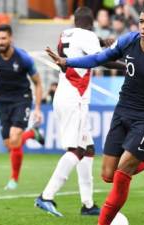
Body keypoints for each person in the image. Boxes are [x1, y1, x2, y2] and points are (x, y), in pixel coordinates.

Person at [46, 5, 144, 225]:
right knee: (108, 175)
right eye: (142, 21)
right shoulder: (129, 40)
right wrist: (67, 62)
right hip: (123, 110)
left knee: (122, 173)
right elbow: (99, 58)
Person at [34, 7, 108, 217]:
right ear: (92, 22)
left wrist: (103, 42)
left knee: (88, 149)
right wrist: (130, 66)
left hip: (66, 95)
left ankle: (88, 204)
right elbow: (102, 60)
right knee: (76, 150)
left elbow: (84, 46)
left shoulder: (67, 34)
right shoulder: (89, 36)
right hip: (74, 98)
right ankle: (46, 196)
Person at [0, 24, 45, 190]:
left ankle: (14, 179)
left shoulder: (23, 58)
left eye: (3, 38)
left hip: (22, 99)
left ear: (11, 38)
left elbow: (38, 83)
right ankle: (32, 133)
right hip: (3, 102)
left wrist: (38, 108)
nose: (0, 42)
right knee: (9, 144)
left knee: (14, 138)